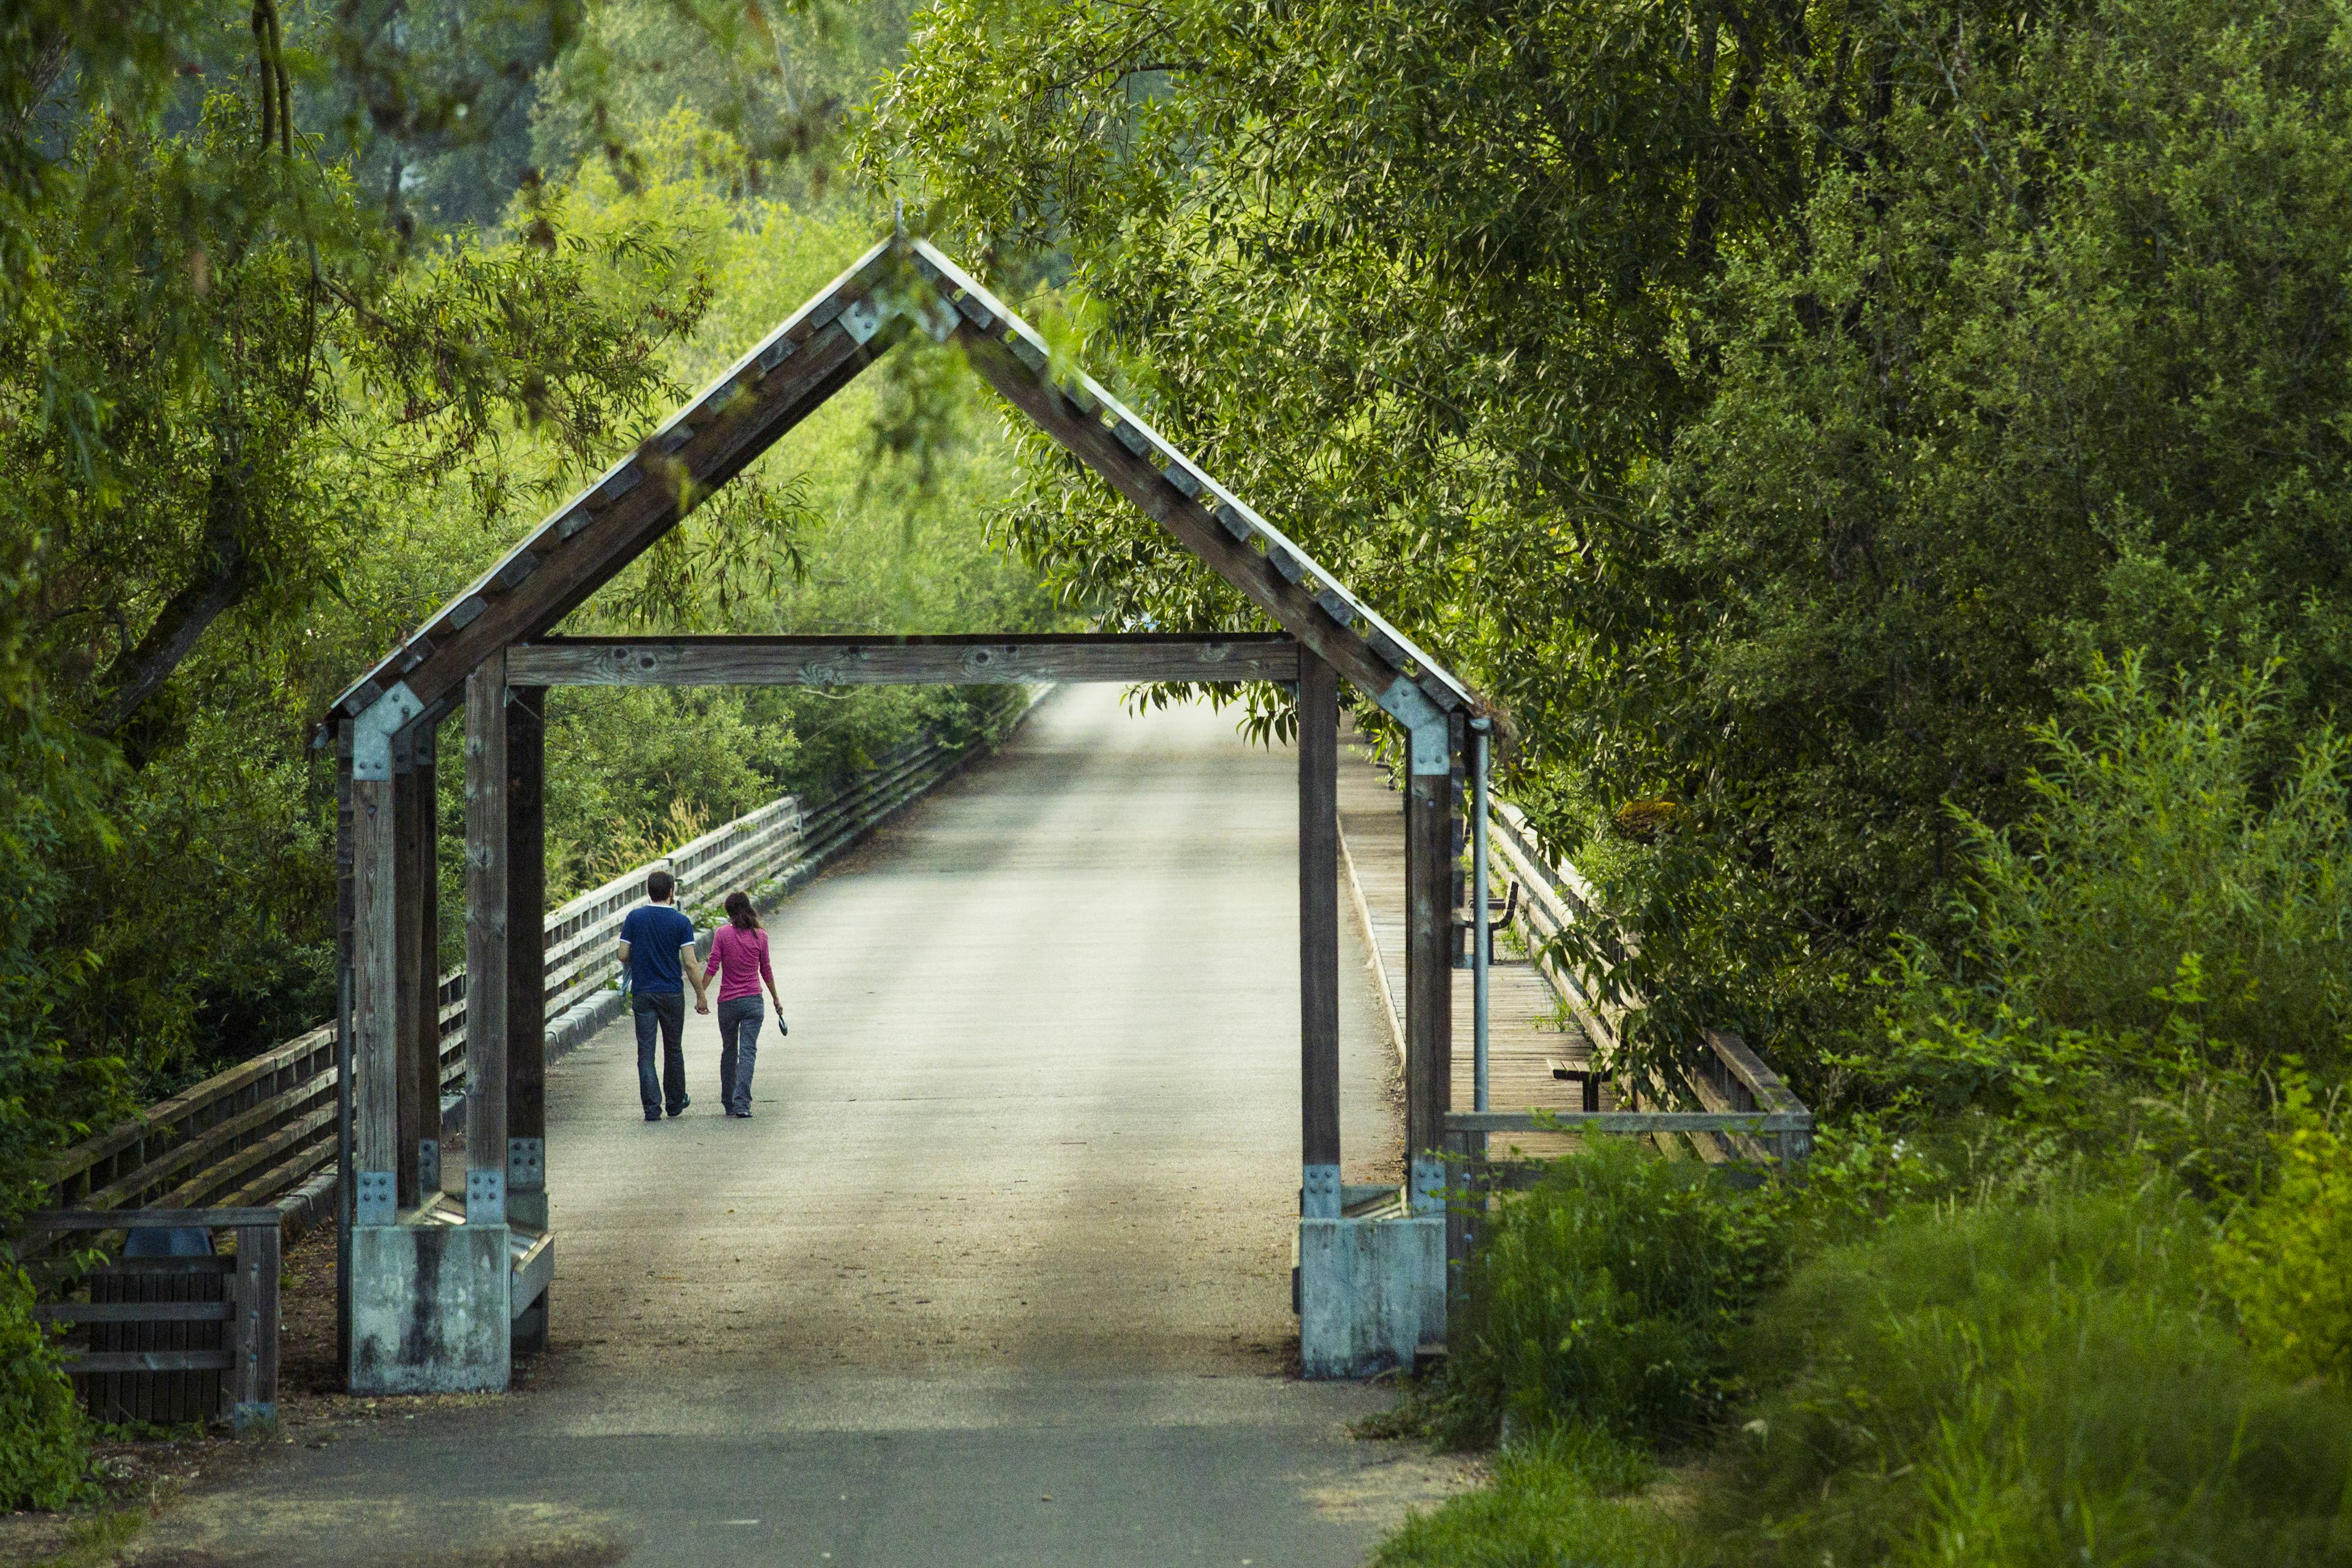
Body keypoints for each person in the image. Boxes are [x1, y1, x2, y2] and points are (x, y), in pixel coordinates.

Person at [618, 869, 707, 1121]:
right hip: (671, 993)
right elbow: (690, 963)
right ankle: (675, 1102)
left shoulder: (635, 918)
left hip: (644, 993)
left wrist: (642, 955)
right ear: (671, 893)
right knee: (673, 1048)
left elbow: (623, 955)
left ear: (649, 891)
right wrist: (701, 995)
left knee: (646, 1052)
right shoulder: (681, 922)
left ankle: (651, 1108)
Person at [706, 891, 784, 1118]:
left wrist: (701, 993)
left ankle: (728, 1101)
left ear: (729, 913)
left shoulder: (722, 934)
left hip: (728, 1003)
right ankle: (742, 1104)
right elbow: (766, 970)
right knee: (748, 1052)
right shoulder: (761, 936)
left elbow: (712, 966)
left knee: (729, 1051)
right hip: (753, 1002)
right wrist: (776, 998)